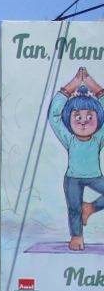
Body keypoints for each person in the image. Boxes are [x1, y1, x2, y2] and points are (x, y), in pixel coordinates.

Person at [49, 67, 104, 251]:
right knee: (73, 208)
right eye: (77, 117)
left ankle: (90, 208)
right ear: (69, 119)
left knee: (80, 208)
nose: (83, 121)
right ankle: (77, 236)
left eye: (89, 116)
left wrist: (93, 86)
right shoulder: (69, 139)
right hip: (73, 178)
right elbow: (54, 115)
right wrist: (71, 86)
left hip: (95, 176)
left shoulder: (98, 138)